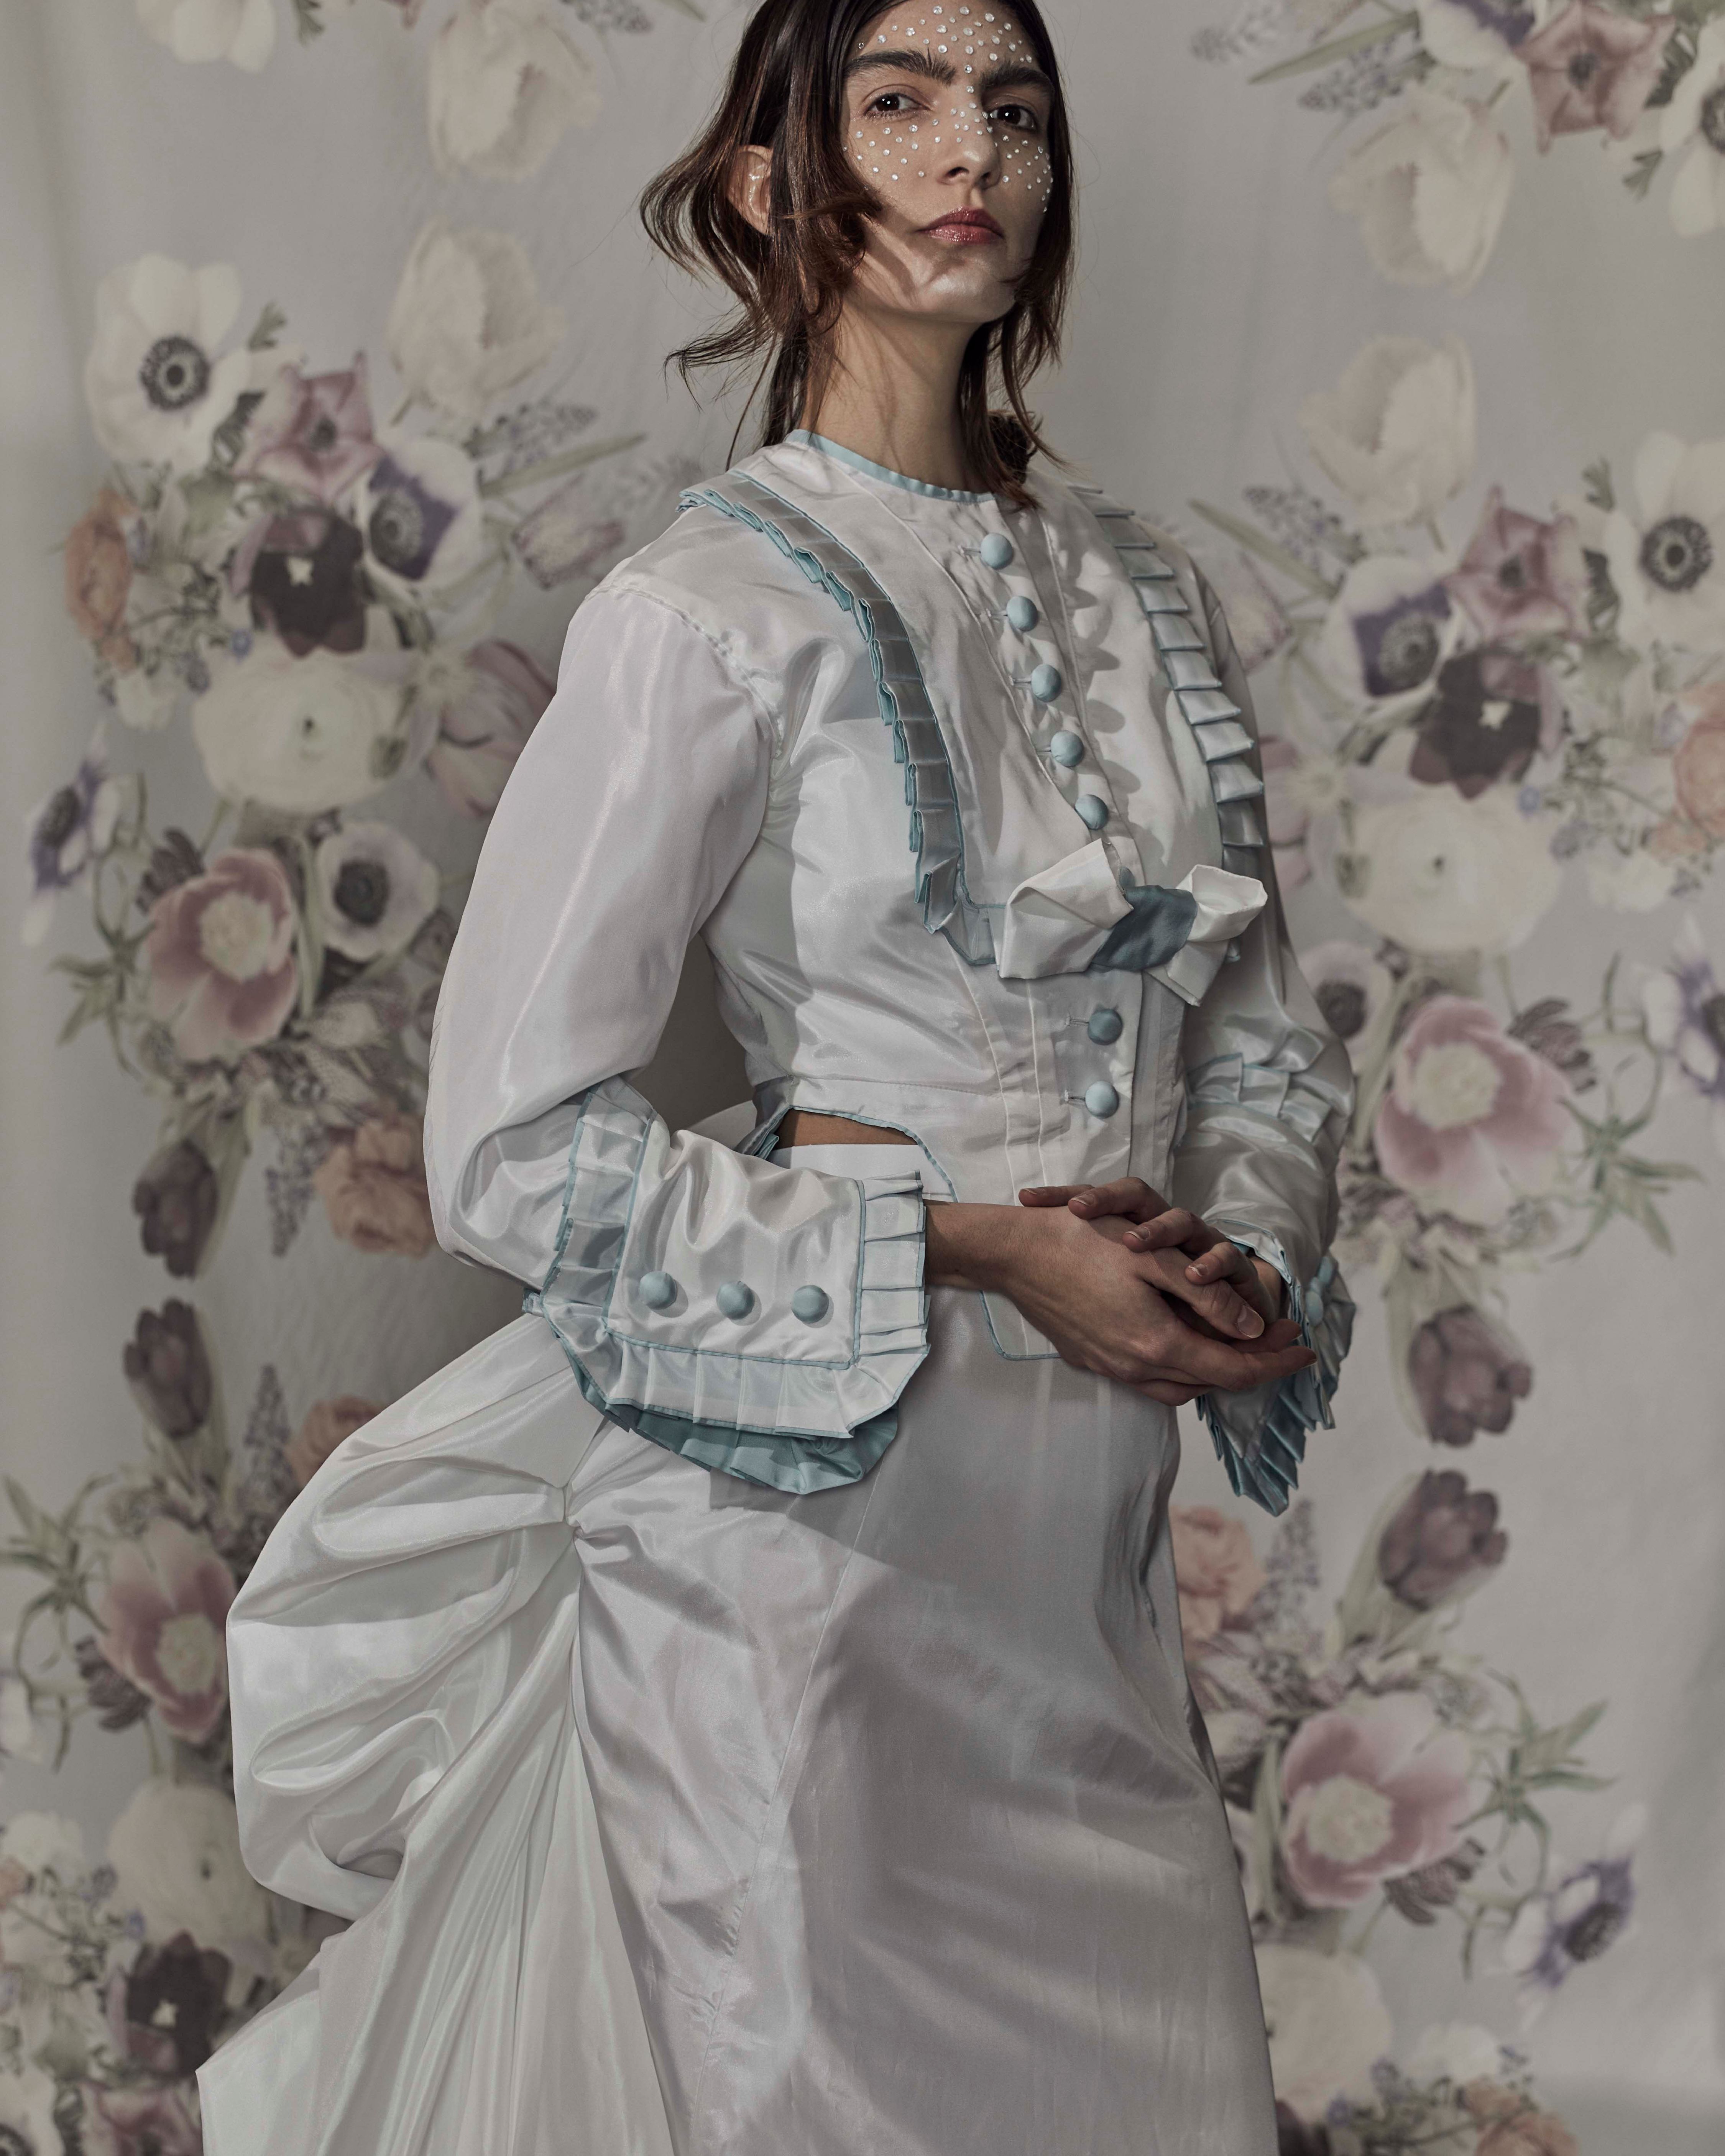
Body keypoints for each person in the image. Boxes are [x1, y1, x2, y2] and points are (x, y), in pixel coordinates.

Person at [199, 3, 1355, 2151]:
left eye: (1011, 110)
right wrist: (1003, 1249)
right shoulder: (707, 609)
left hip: (1074, 1536)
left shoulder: (1144, 598)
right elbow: (511, 1152)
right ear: (762, 184)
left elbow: (1261, 1031)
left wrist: (1244, 1257)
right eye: (898, 103)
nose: (970, 155)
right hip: (805, 1538)